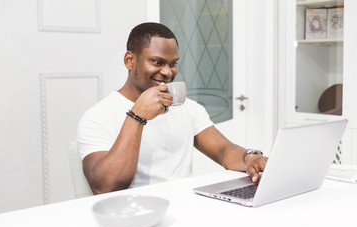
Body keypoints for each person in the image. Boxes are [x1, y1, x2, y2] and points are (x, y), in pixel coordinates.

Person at [77, 22, 267, 195]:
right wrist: (137, 116)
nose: (168, 72)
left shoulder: (188, 108)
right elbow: (104, 187)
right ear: (129, 61)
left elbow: (223, 151)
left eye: (173, 63)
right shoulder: (98, 116)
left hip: (185, 208)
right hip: (136, 216)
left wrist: (248, 158)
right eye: (157, 62)